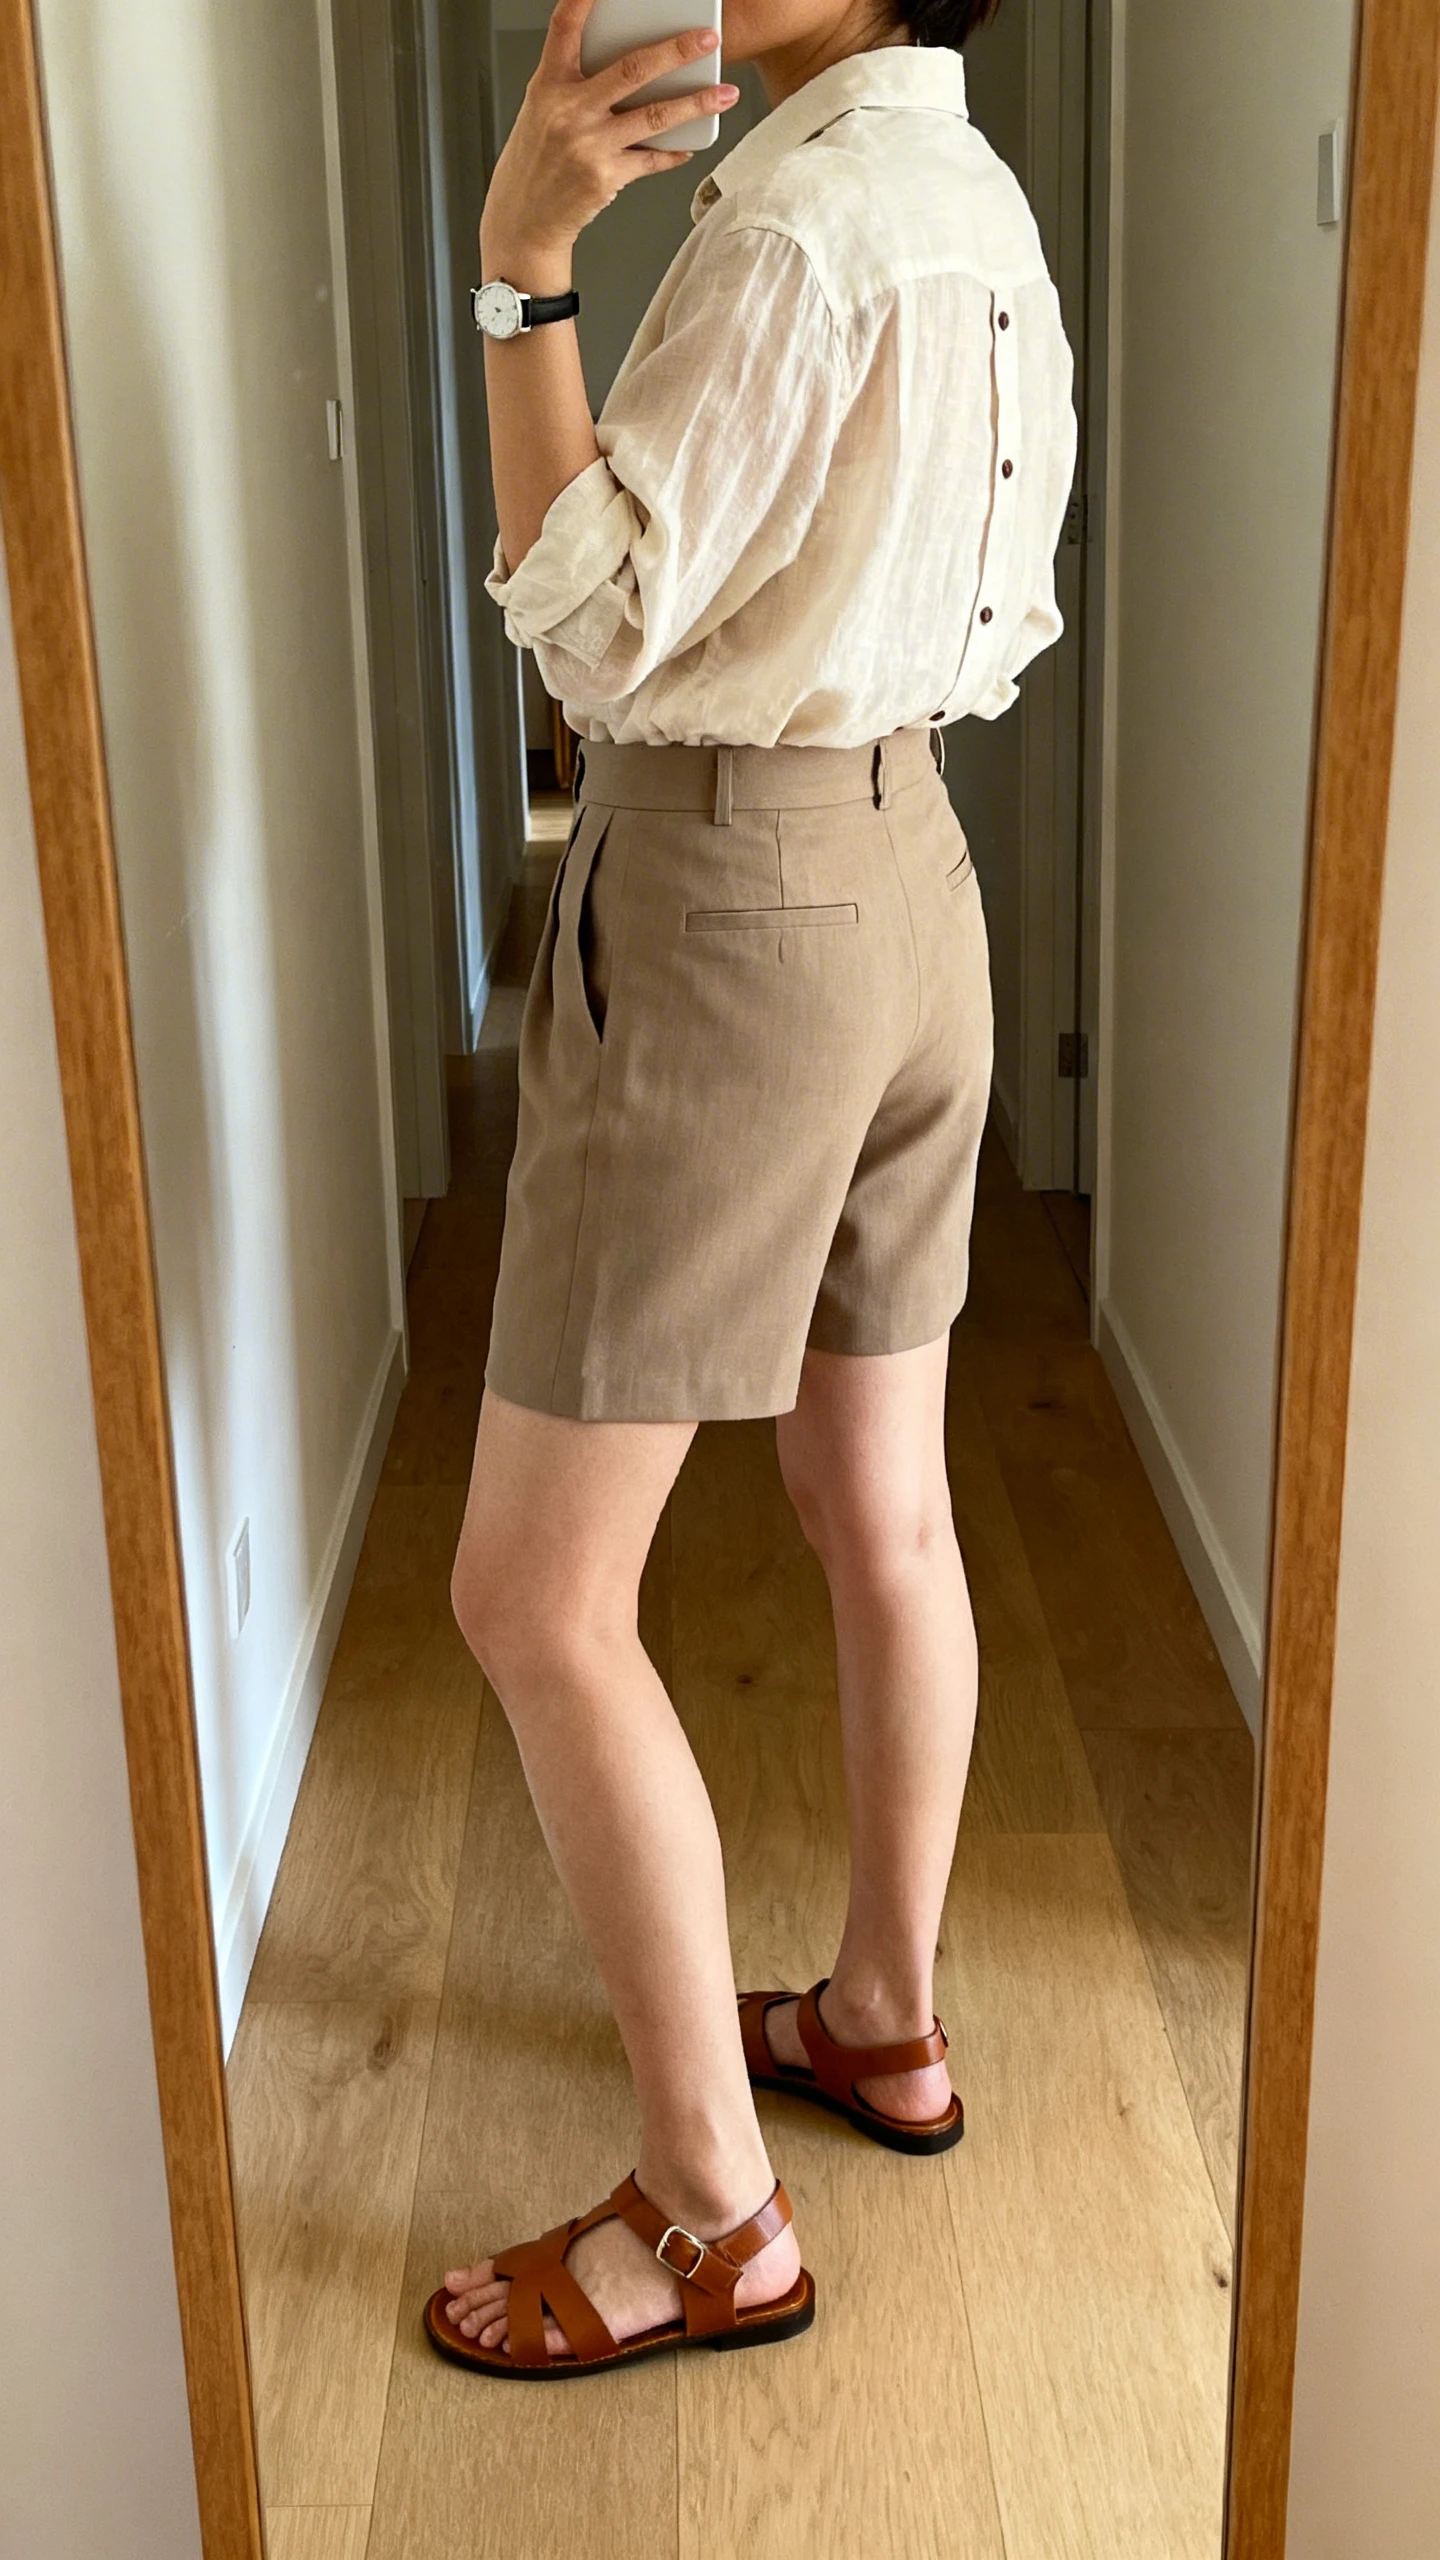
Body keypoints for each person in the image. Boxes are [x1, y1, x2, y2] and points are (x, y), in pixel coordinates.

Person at [426, 0, 1075, 2378]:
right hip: (919, 877)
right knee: (877, 1501)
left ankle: (713, 2209)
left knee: (534, 1588)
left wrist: (520, 276)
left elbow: (589, 640)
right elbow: (994, 608)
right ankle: (884, 2016)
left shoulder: (795, 226)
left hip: (733, 899)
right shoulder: (977, 204)